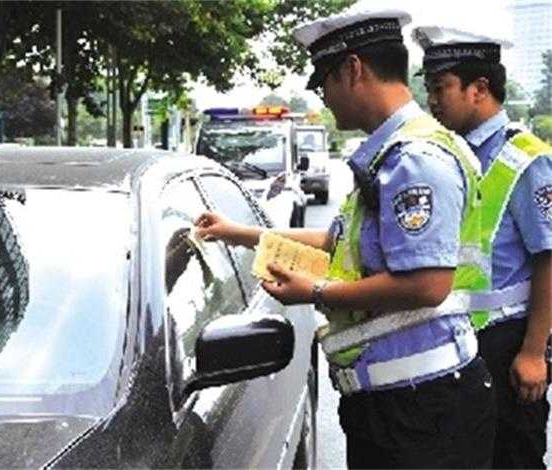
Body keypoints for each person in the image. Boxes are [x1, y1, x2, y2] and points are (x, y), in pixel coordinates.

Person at [195, 8, 497, 469]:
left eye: (325, 83)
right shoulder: (389, 154)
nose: (325, 98)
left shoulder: (415, 159)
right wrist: (239, 233)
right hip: (401, 405)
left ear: (353, 69)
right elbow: (337, 240)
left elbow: (428, 284)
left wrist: (315, 291)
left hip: (423, 411)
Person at [413, 26, 552, 469]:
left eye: (441, 88)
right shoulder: (448, 153)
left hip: (507, 341)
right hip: (456, 340)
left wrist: (534, 351)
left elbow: (549, 258)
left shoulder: (526, 157)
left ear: (479, 89)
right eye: (429, 88)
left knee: (512, 458)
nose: (432, 100)